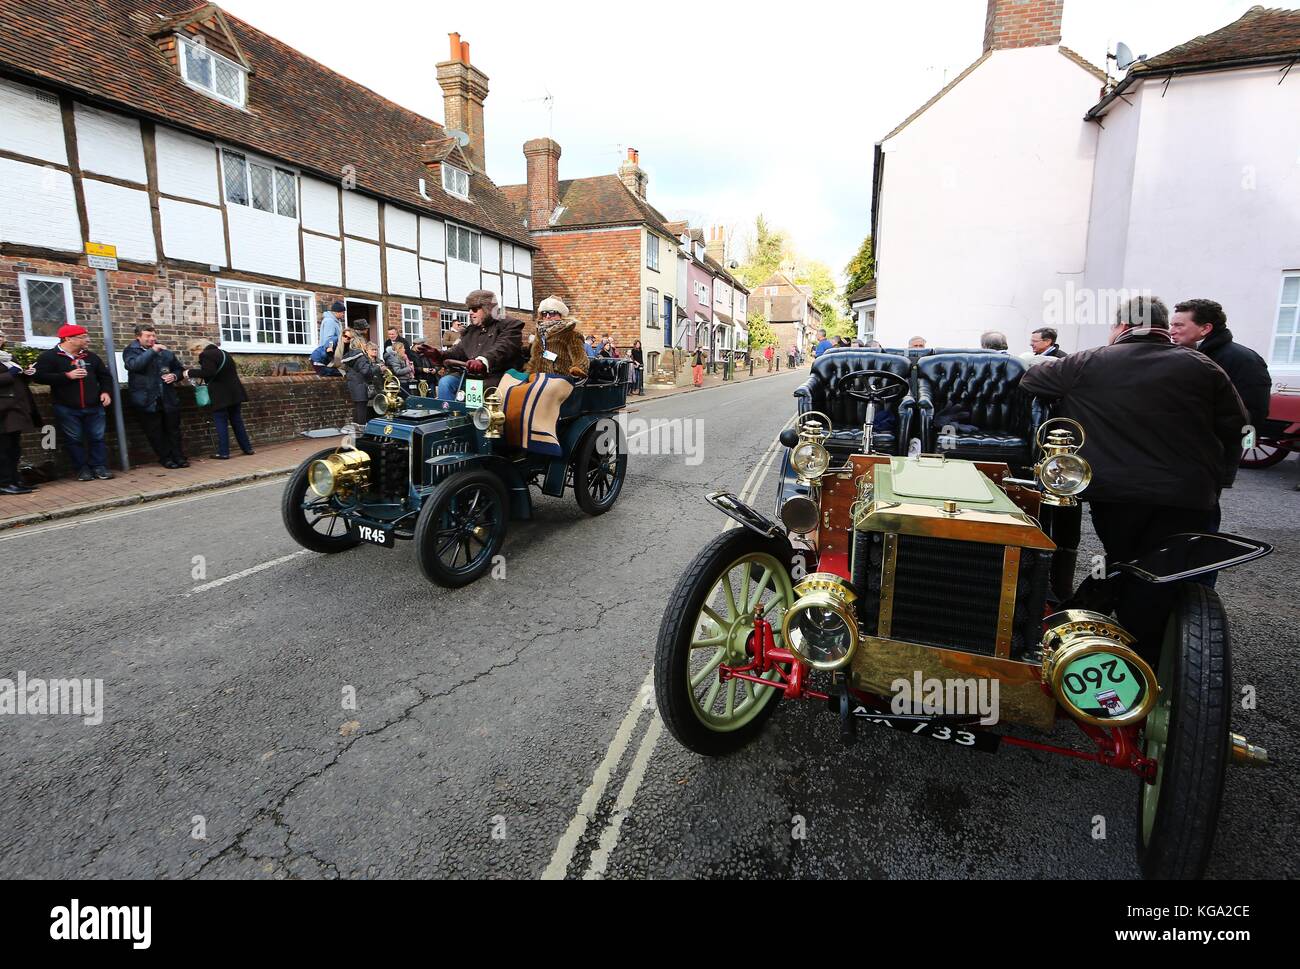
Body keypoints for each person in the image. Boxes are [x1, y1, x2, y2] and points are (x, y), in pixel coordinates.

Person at [1020, 295, 1247, 661]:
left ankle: (1132, 643)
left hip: (1118, 494)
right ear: (1160, 325)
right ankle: (1166, 645)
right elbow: (1237, 426)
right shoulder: (1203, 365)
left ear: (1121, 327)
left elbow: (1033, 379)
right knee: (1177, 567)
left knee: (1127, 559)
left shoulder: (1089, 362)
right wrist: (1220, 479)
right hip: (1189, 492)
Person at [1169, 299, 1271, 433]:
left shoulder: (1245, 360)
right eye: (1171, 325)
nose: (1171, 331)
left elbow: (1253, 412)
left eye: (1179, 325)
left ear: (1205, 328)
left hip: (1218, 446)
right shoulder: (1183, 355)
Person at [34, 324, 115, 481]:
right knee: (74, 439)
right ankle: (82, 469)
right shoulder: (49, 357)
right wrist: (66, 376)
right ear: (68, 339)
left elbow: (105, 376)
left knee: (97, 438)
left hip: (94, 406)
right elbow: (39, 377)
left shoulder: (91, 357)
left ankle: (99, 467)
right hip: (66, 407)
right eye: (83, 337)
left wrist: (106, 392)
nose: (88, 340)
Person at [414, 290, 526, 400]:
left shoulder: (509, 325)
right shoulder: (471, 331)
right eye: (469, 309)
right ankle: (450, 415)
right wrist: (438, 354)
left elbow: (503, 347)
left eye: (475, 309)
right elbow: (458, 351)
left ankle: (477, 417)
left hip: (499, 376)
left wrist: (483, 361)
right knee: (445, 382)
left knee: (476, 388)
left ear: (487, 309)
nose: (471, 312)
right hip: (472, 376)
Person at [122, 324, 188, 469]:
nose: (152, 338)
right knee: (155, 431)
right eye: (148, 336)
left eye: (154, 335)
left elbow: (179, 369)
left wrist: (174, 376)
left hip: (167, 397)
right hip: (146, 399)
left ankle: (179, 456)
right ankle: (166, 458)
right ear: (138, 337)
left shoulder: (166, 353)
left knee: (173, 429)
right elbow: (134, 366)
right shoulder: (130, 351)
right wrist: (152, 351)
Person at [186, 338, 254, 459]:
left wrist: (189, 372)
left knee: (220, 422)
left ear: (198, 348)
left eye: (193, 352)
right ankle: (247, 448)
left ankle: (223, 452)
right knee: (237, 421)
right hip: (235, 392)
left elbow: (208, 372)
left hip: (220, 395)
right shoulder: (224, 353)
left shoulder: (206, 355)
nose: (195, 355)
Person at [0, 338, 42, 494]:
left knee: (14, 448)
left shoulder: (8, 357)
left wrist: (26, 374)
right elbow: (8, 378)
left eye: (2, 336)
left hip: (15, 408)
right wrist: (11, 374)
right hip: (3, 409)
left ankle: (15, 479)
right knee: (3, 449)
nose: (2, 339)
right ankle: (4, 483)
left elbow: (17, 380)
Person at [335, 330, 386, 426]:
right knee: (361, 408)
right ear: (360, 344)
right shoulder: (361, 357)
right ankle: (361, 430)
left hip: (354, 384)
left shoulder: (352, 355)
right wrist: (378, 367)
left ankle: (356, 428)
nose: (365, 345)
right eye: (364, 343)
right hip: (360, 384)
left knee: (358, 408)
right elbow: (365, 371)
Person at [312, 301, 346, 376]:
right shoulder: (330, 321)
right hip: (328, 353)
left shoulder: (337, 321)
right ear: (336, 312)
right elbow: (329, 339)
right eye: (342, 312)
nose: (343, 314)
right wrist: (330, 353)